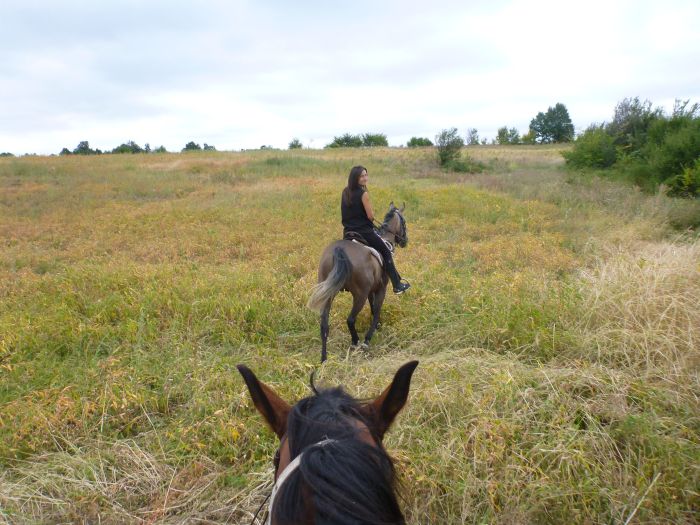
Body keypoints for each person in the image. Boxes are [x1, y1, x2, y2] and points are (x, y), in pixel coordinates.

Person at [341, 165, 411, 294]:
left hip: (348, 233)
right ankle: (397, 285)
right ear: (355, 177)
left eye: (366, 175)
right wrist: (372, 219)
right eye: (362, 176)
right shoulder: (363, 193)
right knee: (386, 252)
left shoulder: (345, 192)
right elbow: (370, 216)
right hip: (364, 232)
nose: (365, 178)